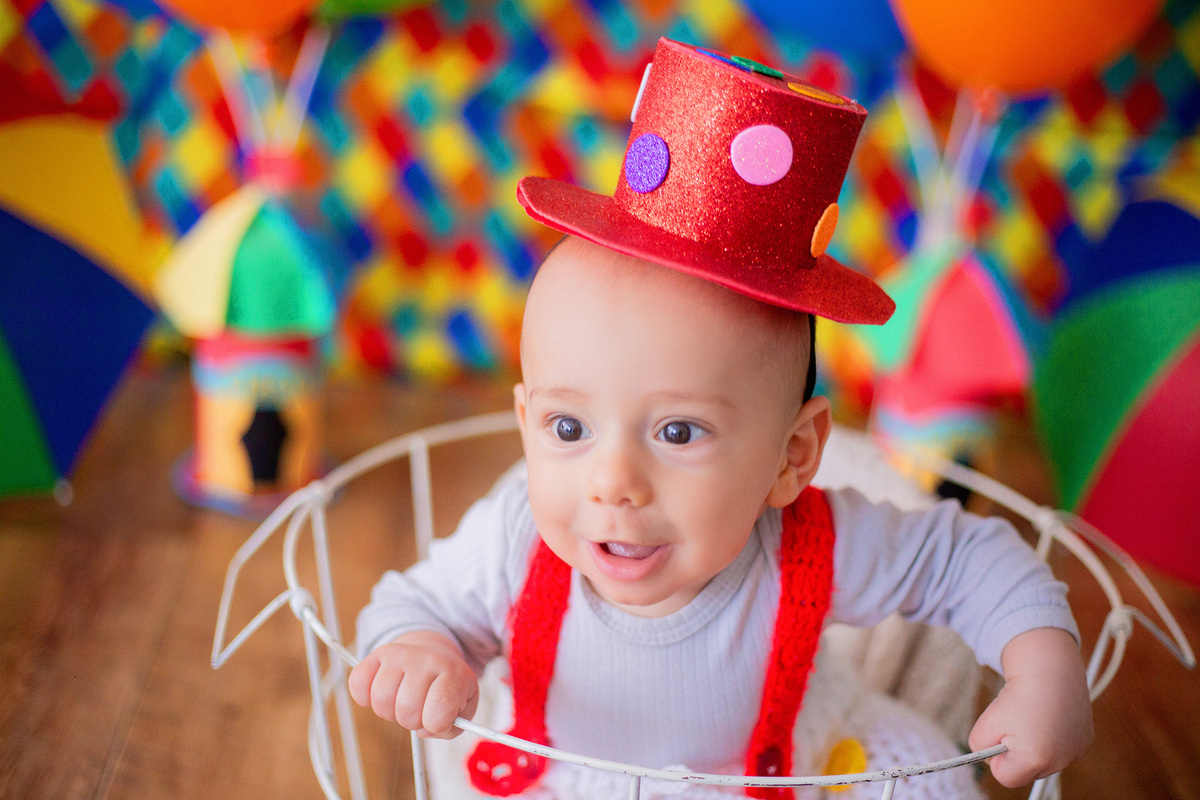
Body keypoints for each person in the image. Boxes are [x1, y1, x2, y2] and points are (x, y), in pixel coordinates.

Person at [349, 38, 1093, 799]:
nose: (613, 482)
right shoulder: (515, 540)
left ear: (792, 457)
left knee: (924, 771)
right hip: (568, 778)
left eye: (677, 432)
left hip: (789, 767)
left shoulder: (810, 549)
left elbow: (964, 559)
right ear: (524, 418)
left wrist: (1042, 668)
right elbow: (410, 601)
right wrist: (420, 651)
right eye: (569, 428)